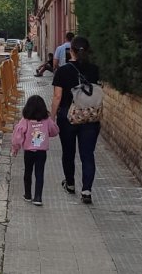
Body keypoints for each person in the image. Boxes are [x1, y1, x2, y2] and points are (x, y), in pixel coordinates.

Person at [51, 36, 101, 204]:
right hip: (89, 117)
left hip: (67, 117)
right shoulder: (94, 69)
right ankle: (86, 191)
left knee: (68, 152)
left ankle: (70, 183)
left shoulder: (63, 71)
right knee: (88, 155)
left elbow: (57, 96)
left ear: (70, 50)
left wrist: (52, 117)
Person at [12, 94, 59, 206]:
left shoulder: (25, 120)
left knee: (28, 172)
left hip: (28, 151)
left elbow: (17, 136)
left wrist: (15, 148)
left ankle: (28, 195)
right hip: (41, 152)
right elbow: (54, 131)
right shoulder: (47, 120)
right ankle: (38, 197)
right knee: (39, 173)